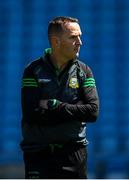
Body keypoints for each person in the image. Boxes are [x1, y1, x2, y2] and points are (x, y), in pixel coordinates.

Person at [20, 16, 99, 179]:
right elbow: (31, 114)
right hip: (38, 153)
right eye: (73, 37)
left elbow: (92, 112)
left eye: (80, 36)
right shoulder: (32, 70)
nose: (80, 42)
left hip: (74, 154)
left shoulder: (84, 71)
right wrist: (74, 110)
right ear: (56, 42)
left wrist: (55, 105)